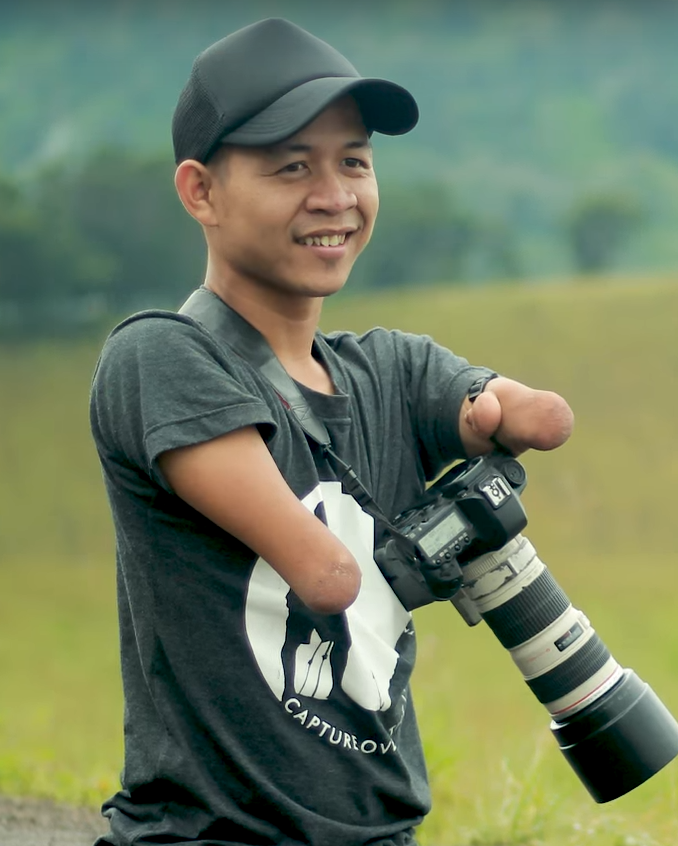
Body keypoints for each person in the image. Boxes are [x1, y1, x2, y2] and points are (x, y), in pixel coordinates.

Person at [88, 18, 573, 846]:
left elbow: (545, 417)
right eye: (292, 167)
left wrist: (501, 419)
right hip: (211, 836)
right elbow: (324, 575)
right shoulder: (158, 358)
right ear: (200, 191)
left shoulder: (389, 369)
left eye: (355, 161)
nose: (335, 196)